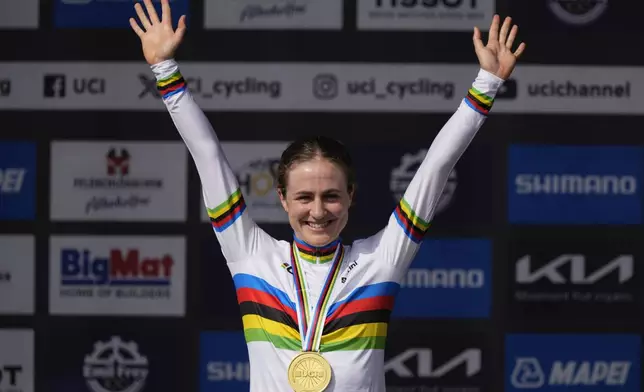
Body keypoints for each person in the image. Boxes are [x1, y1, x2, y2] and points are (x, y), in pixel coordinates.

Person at [130, 1, 525, 391]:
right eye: (304, 197)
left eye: (331, 196)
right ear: (282, 198)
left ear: (351, 195)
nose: (317, 211)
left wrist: (486, 84)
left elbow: (434, 169)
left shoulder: (380, 260)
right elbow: (207, 154)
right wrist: (164, 69)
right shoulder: (250, 254)